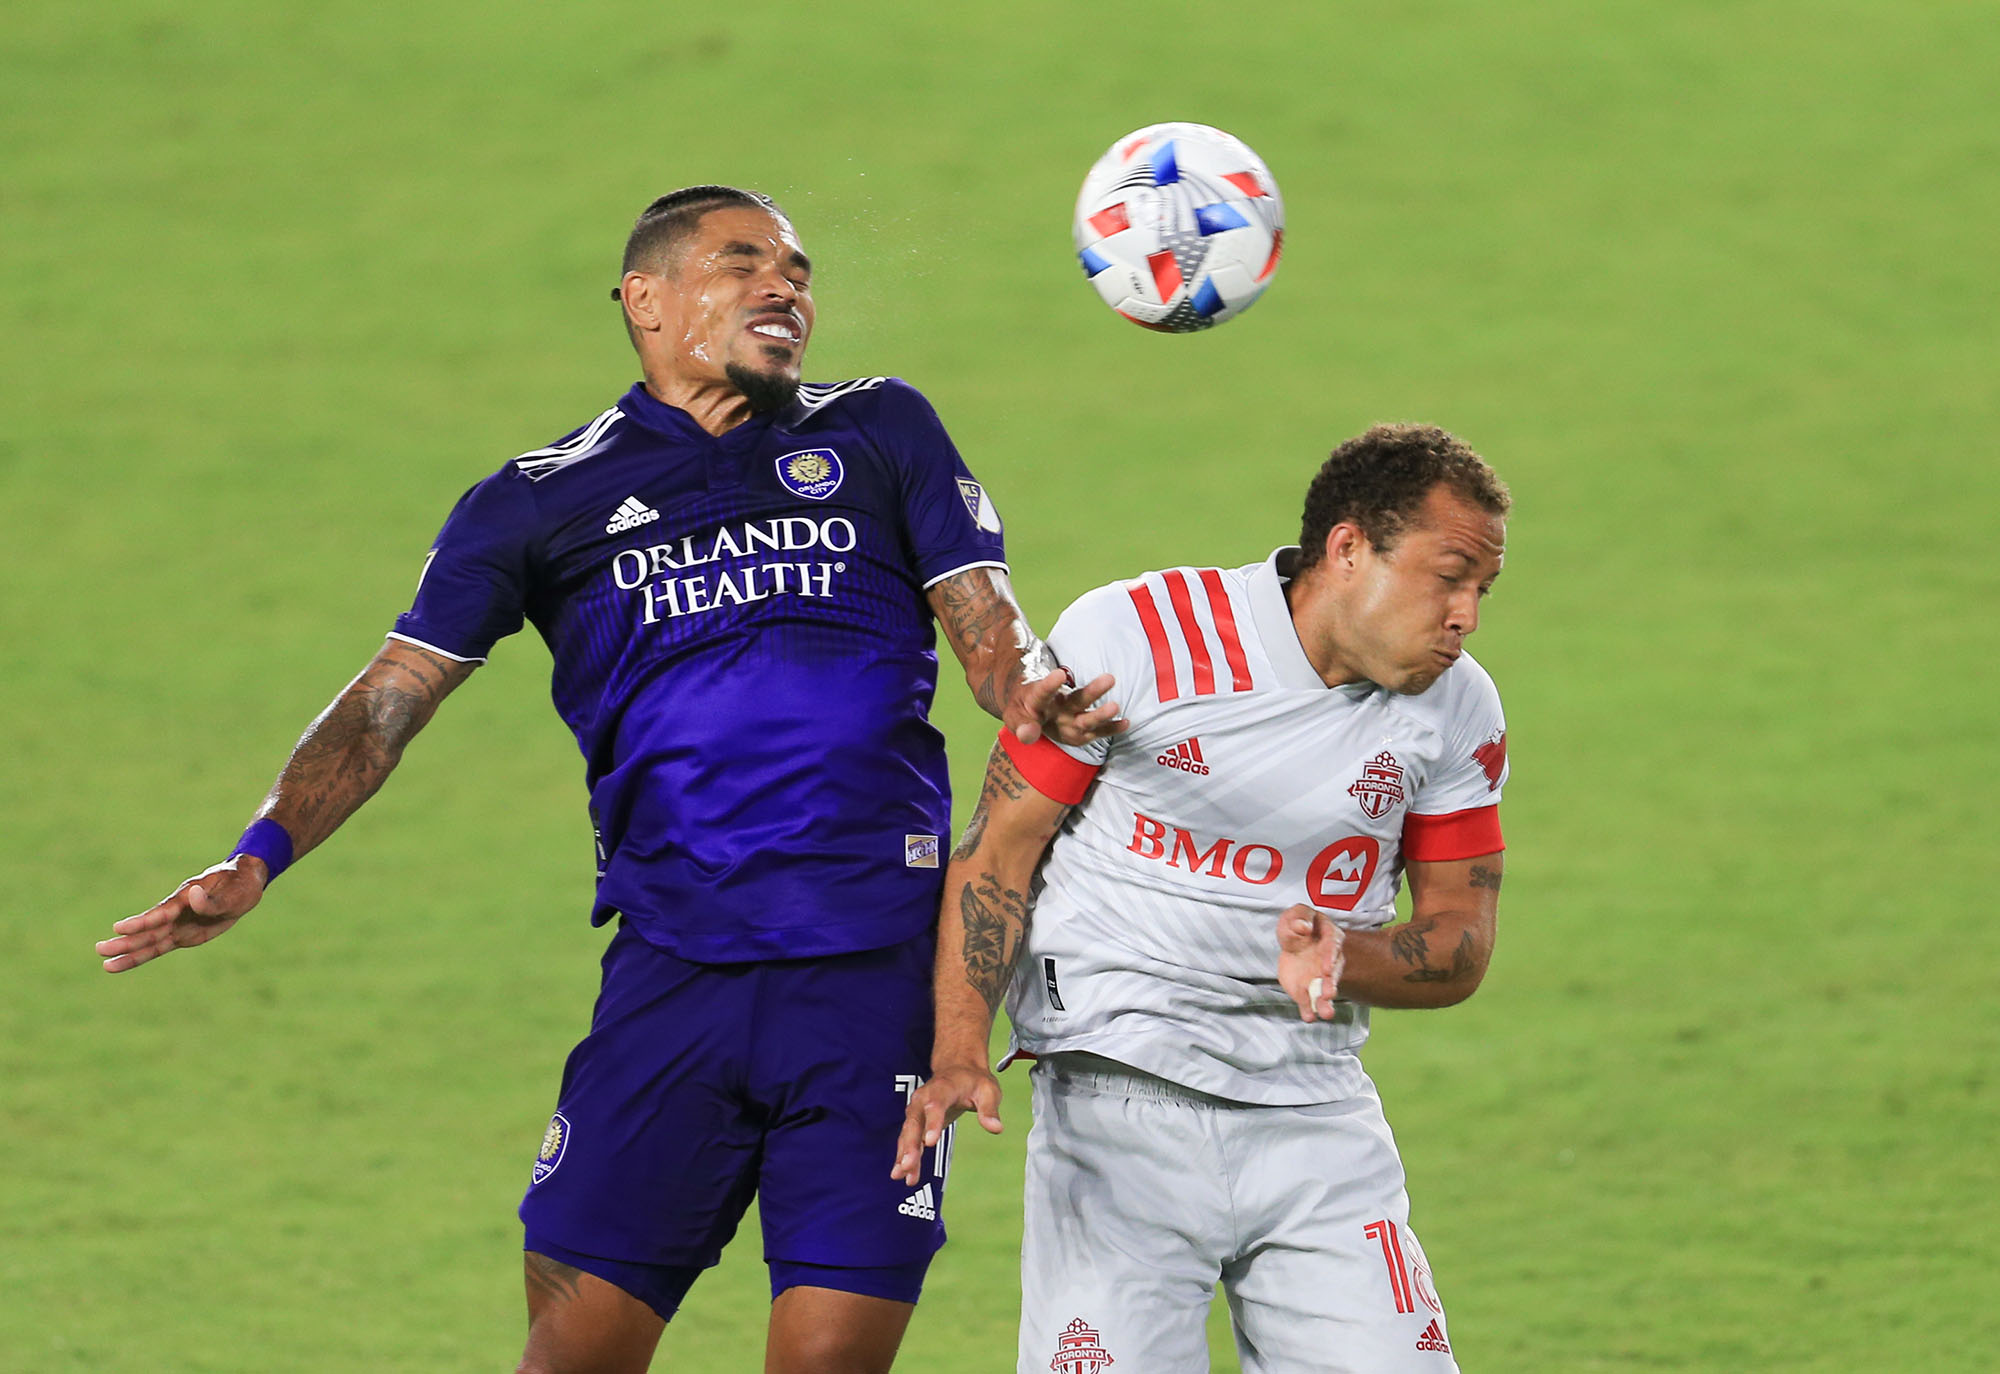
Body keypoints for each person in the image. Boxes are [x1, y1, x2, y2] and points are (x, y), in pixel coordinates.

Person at [97, 185, 1120, 1374]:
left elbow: (986, 628)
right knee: (570, 1359)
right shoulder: (536, 501)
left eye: (796, 270)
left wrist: (1030, 688)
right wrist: (258, 854)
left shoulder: (881, 431)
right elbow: (387, 703)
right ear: (645, 298)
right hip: (670, 981)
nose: (783, 287)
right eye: (742, 263)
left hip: (871, 978)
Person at [895, 424, 1512, 1373]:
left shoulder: (1459, 707)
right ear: (1348, 548)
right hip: (1116, 1102)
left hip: (1316, 1116)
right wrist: (957, 1047)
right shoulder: (1137, 635)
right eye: (1449, 577)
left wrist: (1347, 958)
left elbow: (1459, 941)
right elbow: (996, 857)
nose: (1467, 616)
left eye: (1482, 590)